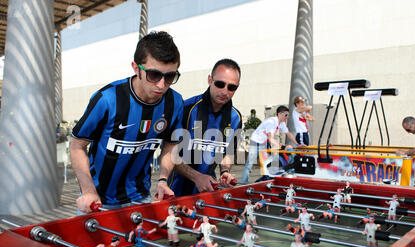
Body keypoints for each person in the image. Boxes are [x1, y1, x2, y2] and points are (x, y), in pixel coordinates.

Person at [70, 31, 184, 214]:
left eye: (170, 77)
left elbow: (170, 145)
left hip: (141, 197)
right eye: (154, 75)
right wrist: (88, 191)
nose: (162, 85)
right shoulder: (107, 99)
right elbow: (77, 145)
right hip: (98, 201)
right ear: (136, 68)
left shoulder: (174, 102)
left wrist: (162, 179)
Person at [169, 59, 243, 196]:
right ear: (210, 80)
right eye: (220, 84)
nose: (225, 91)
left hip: (208, 192)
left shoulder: (236, 117)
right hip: (176, 192)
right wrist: (197, 177)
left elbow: (228, 153)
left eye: (232, 87)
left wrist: (225, 172)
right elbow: (170, 154)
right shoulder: (186, 109)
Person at [240, 105, 299, 184]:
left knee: (267, 162)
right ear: (279, 114)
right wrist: (283, 146)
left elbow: (288, 133)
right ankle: (244, 182)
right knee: (250, 163)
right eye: (285, 115)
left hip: (264, 142)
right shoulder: (272, 122)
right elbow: (271, 139)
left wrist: (298, 144)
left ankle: (266, 180)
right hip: (256, 141)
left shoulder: (281, 123)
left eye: (288, 115)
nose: (287, 117)